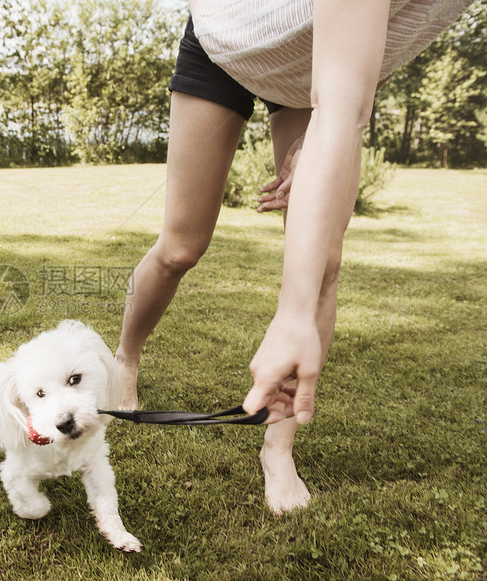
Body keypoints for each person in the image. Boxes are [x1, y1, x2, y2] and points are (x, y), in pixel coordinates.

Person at [116, 0, 473, 514]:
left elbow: (359, 76)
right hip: (227, 46)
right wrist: (334, 116)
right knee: (181, 247)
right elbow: (342, 101)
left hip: (318, 71)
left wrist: (323, 134)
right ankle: (126, 359)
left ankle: (277, 450)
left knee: (325, 263)